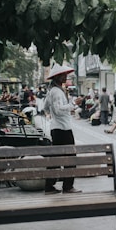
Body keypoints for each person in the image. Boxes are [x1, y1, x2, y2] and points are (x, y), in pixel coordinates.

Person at [43, 64, 81, 194]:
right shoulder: (57, 92)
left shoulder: (52, 90)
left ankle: (49, 185)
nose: (66, 77)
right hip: (63, 129)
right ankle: (68, 186)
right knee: (70, 158)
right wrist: (74, 104)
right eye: (63, 75)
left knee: (56, 158)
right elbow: (59, 110)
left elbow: (46, 107)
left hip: (56, 128)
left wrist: (52, 117)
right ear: (58, 77)